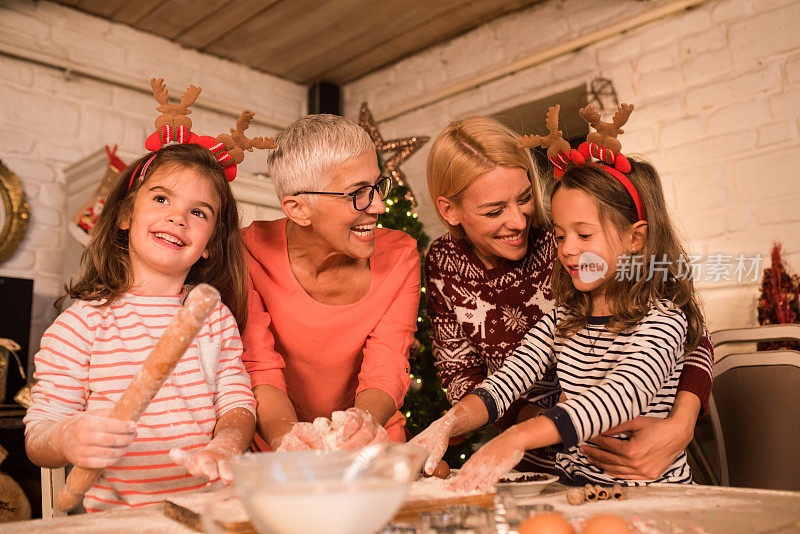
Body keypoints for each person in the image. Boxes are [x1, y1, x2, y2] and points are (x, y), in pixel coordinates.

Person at [422, 115, 713, 481]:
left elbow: (622, 395)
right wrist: (446, 425)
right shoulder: (565, 316)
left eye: (525, 198)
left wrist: (521, 435)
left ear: (635, 238)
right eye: (560, 237)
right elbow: (507, 378)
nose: (567, 250)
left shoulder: (662, 319)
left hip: (647, 494)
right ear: (450, 210)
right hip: (568, 484)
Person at [24, 143, 257, 512]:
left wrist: (226, 443)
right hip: (119, 519)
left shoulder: (213, 319)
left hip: (208, 510)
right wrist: (67, 438)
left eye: (198, 212)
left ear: (209, 244)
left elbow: (237, 403)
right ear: (124, 216)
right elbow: (39, 434)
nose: (178, 218)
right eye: (162, 199)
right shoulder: (81, 326)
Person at [241, 114, 420, 451]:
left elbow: (387, 366)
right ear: (298, 209)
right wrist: (293, 446)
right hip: (277, 449)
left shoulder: (401, 255)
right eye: (358, 193)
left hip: (368, 445)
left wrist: (351, 437)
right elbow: (259, 369)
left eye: (377, 186)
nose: (379, 206)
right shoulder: (246, 252)